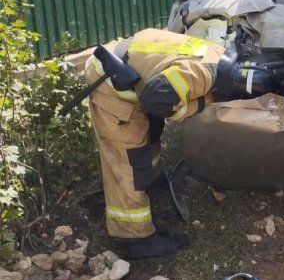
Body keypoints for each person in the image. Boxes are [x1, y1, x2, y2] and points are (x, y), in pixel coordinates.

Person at [82, 29, 273, 260]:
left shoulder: (218, 57)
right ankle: (135, 238)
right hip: (111, 84)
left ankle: (150, 181)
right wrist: (200, 105)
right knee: (128, 160)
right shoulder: (200, 75)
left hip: (133, 70)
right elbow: (158, 100)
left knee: (150, 133)